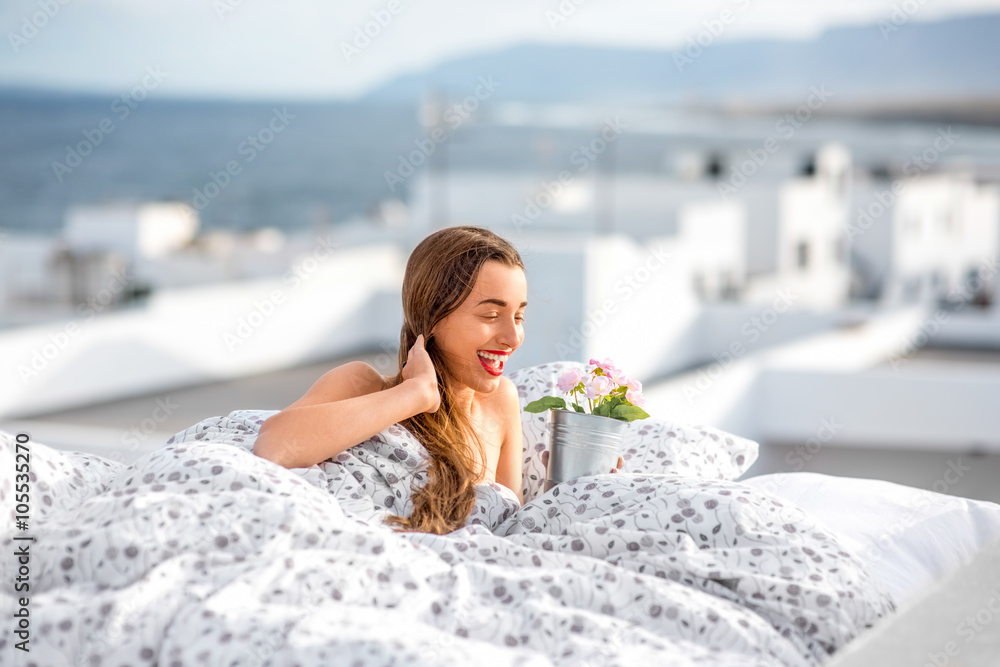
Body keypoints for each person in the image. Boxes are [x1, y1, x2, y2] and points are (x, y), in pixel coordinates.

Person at [253, 225, 623, 535]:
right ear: (433, 317)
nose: (512, 338)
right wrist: (414, 394)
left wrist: (582, 490)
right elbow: (275, 446)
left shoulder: (500, 402)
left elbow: (513, 530)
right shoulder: (362, 385)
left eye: (519, 317)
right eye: (492, 314)